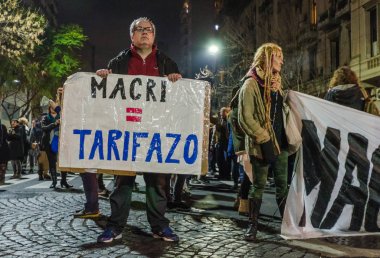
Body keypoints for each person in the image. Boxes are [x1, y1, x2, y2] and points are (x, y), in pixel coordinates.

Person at [96, 17, 182, 243]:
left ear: (154, 35)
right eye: (139, 29)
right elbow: (108, 99)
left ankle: (159, 226)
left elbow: (177, 101)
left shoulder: (167, 62)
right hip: (126, 133)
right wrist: (104, 79)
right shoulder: (117, 62)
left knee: (158, 184)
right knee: (122, 183)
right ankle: (115, 226)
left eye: (149, 29)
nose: (145, 32)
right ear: (131, 35)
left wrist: (176, 81)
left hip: (156, 133)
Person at [238, 43, 288, 241]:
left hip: (281, 143)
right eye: (278, 56)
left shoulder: (277, 82)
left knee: (283, 186)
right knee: (258, 185)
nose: (282, 61)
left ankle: (286, 224)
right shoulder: (251, 83)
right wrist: (263, 137)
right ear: (267, 58)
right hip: (262, 144)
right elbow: (245, 117)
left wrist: (279, 93)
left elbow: (281, 113)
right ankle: (253, 226)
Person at [41, 100, 73, 189]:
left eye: (54, 107)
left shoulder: (62, 116)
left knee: (64, 162)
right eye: (51, 107)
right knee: (52, 162)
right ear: (49, 108)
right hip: (49, 143)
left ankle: (64, 181)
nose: (53, 109)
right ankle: (54, 182)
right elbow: (44, 128)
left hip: (63, 142)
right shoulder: (46, 118)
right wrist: (54, 124)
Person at [0, 120, 10, 184]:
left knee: (2, 164)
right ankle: (2, 180)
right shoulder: (3, 126)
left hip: (3, 148)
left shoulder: (2, 127)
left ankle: (1, 180)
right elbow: (7, 137)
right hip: (4, 148)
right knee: (2, 164)